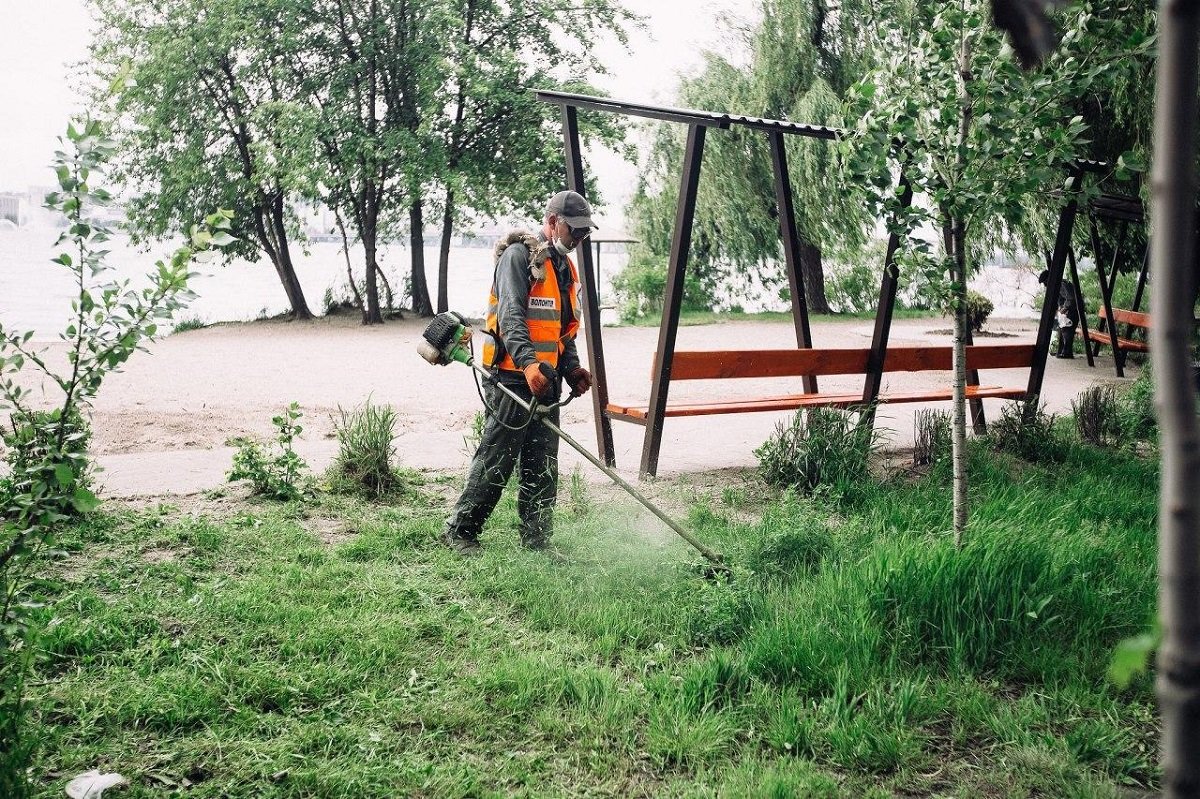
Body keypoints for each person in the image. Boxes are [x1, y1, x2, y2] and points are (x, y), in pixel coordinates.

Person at [440, 190, 595, 556]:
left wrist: (572, 369)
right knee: (497, 457)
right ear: (553, 222)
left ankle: (537, 540)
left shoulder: (564, 268)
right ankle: (460, 531)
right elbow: (511, 317)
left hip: (546, 379)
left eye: (585, 232)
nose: (579, 237)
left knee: (543, 464)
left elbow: (563, 331)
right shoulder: (517, 257)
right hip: (512, 375)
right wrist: (527, 364)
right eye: (574, 229)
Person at [1039, 269, 1078, 358]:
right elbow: (1061, 299)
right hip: (1069, 311)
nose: (1045, 285)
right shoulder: (1059, 285)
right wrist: (1061, 307)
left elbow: (1071, 298)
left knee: (1067, 331)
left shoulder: (1062, 284)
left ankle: (1066, 352)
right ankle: (1062, 351)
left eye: (1045, 282)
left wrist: (1064, 308)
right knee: (1063, 330)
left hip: (1072, 311)